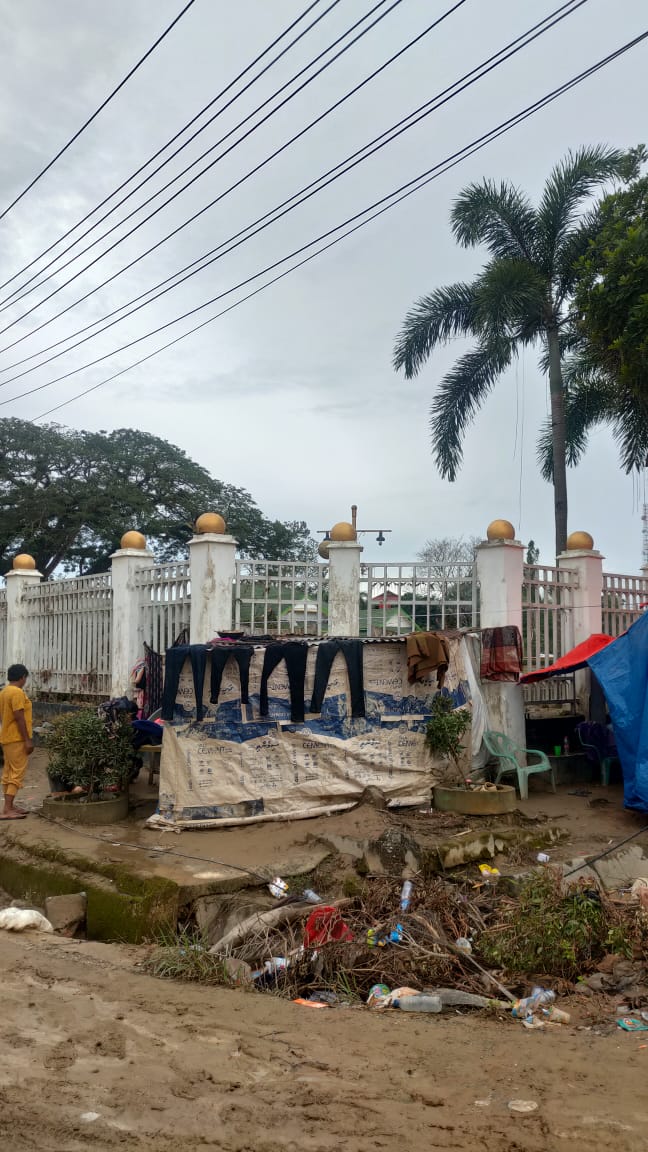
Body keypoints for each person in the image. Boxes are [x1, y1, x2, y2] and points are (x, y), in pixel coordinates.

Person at [0, 664, 33, 819]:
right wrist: (27, 740)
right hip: (17, 738)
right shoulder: (17, 693)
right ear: (22, 677)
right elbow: (19, 716)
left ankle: (9, 806)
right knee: (17, 773)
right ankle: (7, 809)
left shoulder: (4, 692)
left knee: (8, 772)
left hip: (6, 737)